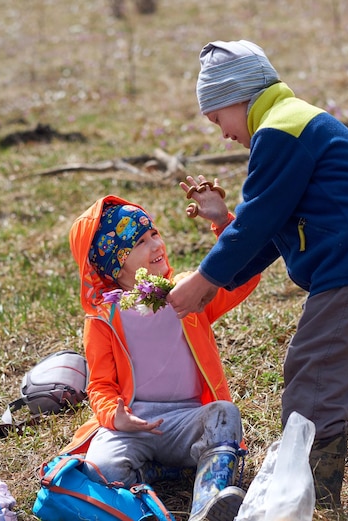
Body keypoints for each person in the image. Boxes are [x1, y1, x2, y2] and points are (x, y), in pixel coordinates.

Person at [167, 40, 348, 509]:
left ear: (236, 96)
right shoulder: (286, 121)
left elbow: (260, 218)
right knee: (315, 369)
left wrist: (204, 279)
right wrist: (222, 242)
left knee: (315, 374)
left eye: (216, 118)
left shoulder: (280, 130)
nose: (222, 133)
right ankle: (308, 493)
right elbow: (268, 231)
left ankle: (313, 502)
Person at [60, 182, 261, 521]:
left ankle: (207, 505)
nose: (156, 245)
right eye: (139, 242)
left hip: (188, 418)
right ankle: (159, 477)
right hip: (135, 424)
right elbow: (100, 385)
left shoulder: (187, 292)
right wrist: (115, 417)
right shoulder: (102, 319)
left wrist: (224, 222)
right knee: (100, 466)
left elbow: (243, 278)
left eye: (153, 233)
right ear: (116, 266)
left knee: (225, 414)